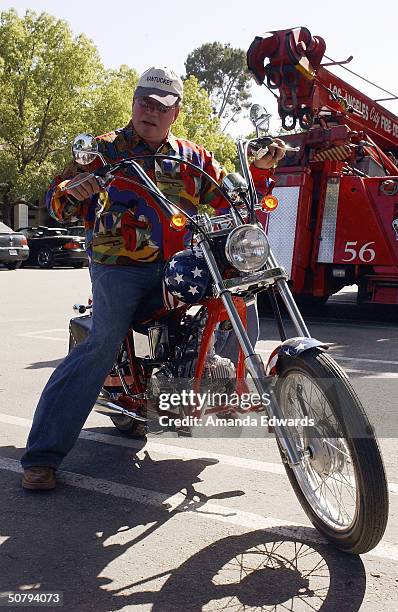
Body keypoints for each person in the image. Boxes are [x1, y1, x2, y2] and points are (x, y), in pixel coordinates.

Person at [21, 66, 286, 490]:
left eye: (162, 106)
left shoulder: (192, 157)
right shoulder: (104, 151)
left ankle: (220, 387)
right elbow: (56, 202)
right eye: (145, 101)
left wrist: (256, 174)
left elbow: (227, 201)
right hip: (119, 265)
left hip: (181, 262)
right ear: (134, 102)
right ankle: (43, 456)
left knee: (241, 298)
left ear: (175, 113)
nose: (151, 111)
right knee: (103, 341)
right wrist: (73, 190)